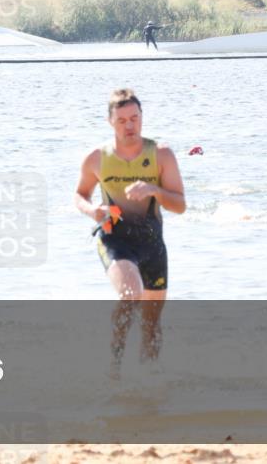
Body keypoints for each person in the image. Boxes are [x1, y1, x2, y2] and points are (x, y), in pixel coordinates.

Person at [73, 89, 185, 370]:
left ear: (142, 117)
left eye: (134, 118)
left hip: (152, 244)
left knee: (151, 324)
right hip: (115, 240)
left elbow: (180, 205)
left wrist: (154, 190)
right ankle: (112, 366)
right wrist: (92, 211)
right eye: (122, 120)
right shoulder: (96, 158)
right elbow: (80, 194)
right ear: (110, 121)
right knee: (130, 294)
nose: (130, 125)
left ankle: (150, 381)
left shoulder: (161, 154)